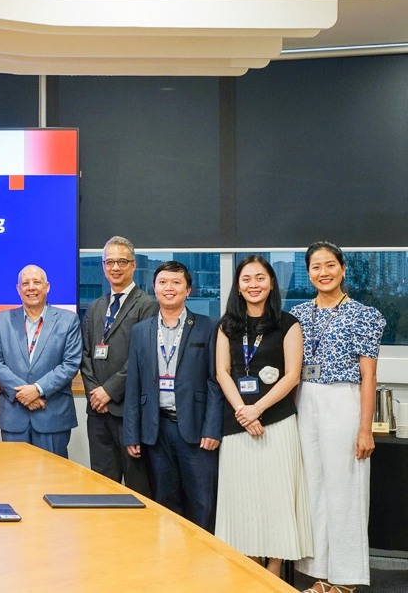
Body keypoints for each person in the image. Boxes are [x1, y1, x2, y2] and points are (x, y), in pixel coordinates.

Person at [291, 242, 385, 593]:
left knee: (345, 490)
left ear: (343, 269)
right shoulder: (298, 314)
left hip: (342, 400)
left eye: (330, 265)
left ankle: (346, 579)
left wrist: (365, 429)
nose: (323, 273)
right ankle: (322, 576)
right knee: (313, 488)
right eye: (316, 267)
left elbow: (369, 377)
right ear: (309, 272)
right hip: (305, 399)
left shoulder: (364, 315)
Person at [213, 256, 312, 578]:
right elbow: (222, 372)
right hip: (237, 423)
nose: (253, 284)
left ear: (271, 283)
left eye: (259, 278)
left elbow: (292, 375)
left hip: (277, 423)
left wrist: (258, 409)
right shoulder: (227, 324)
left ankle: (275, 565)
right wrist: (243, 410)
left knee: (276, 496)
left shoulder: (288, 323)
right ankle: (249, 562)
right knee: (241, 497)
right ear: (238, 287)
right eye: (246, 279)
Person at [124, 261, 222, 532]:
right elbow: (134, 384)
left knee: (201, 503)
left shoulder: (207, 327)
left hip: (196, 430)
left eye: (176, 283)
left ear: (188, 290)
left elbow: (215, 382)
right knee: (164, 502)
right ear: (154, 288)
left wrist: (213, 428)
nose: (169, 288)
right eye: (163, 282)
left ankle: (202, 563)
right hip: (156, 430)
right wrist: (132, 434)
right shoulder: (141, 330)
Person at [80, 236, 157, 495]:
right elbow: (86, 355)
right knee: (101, 487)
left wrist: (109, 391)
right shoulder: (95, 307)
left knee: (138, 488)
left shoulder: (147, 306)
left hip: (130, 413)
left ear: (133, 265)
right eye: (109, 262)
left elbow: (142, 358)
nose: (115, 267)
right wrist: (94, 393)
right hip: (98, 414)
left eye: (122, 261)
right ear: (103, 266)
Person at [0, 265, 82, 458]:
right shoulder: (2, 320)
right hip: (14, 417)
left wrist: (37, 389)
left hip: (52, 415)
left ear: (47, 287)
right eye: (25, 283)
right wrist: (25, 393)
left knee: (54, 478)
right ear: (18, 289)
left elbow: (71, 363)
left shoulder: (68, 320)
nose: (31, 287)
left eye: (37, 282)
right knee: (16, 479)